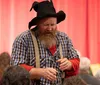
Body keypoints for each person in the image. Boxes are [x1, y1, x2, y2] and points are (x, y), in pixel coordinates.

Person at [10, 0, 80, 85]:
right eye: (46, 25)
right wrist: (39, 72)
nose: (50, 29)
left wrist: (70, 64)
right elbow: (16, 69)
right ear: (38, 24)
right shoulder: (23, 39)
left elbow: (76, 60)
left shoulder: (64, 38)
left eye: (53, 25)